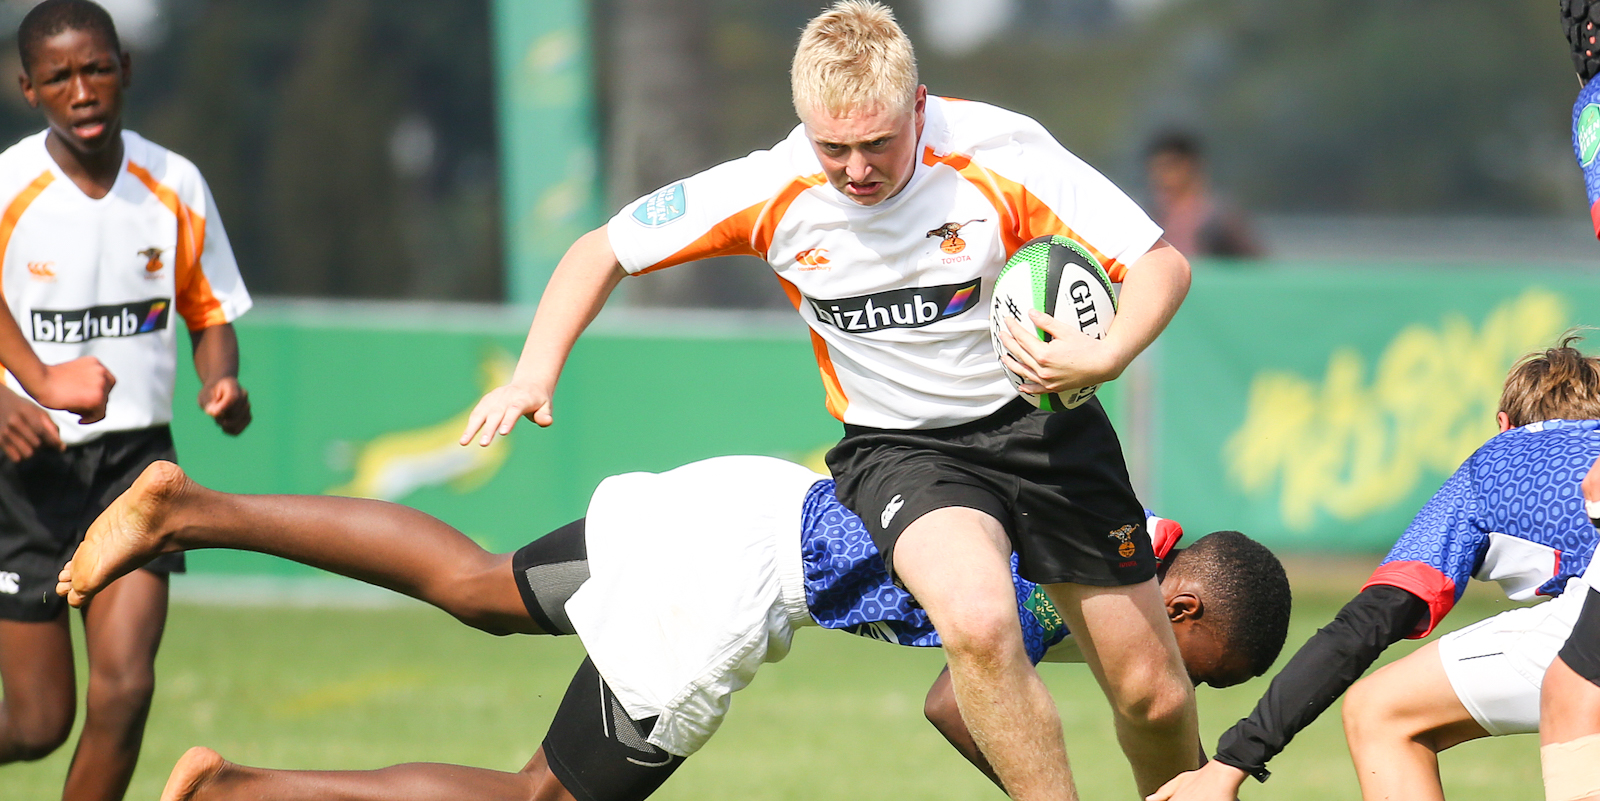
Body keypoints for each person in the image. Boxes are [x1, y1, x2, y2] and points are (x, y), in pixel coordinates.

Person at [459, 3, 1195, 797]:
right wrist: (534, 372)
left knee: (1151, 695)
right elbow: (601, 248)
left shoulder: (998, 152)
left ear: (918, 106)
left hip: (1045, 429)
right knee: (978, 623)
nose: (856, 169)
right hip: (905, 451)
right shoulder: (772, 187)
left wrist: (1107, 352)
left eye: (877, 143)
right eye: (832, 147)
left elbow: (1159, 262)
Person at [54, 453, 1291, 801]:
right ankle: (237, 792)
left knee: (479, 585)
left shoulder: (1114, 524)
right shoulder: (1083, 584)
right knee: (539, 799)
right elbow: (951, 695)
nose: (1168, 691)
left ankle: (193, 508)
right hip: (733, 590)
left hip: (742, 498)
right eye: (1196, 673)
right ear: (1179, 608)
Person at [1149, 337, 1600, 801]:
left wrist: (1232, 761)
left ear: (1503, 425)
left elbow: (1369, 622)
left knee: (1381, 711)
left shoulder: (1495, 462)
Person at [0, 3, 253, 801]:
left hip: (136, 469)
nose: (81, 91)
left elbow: (208, 313)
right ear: (28, 89)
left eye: (96, 69)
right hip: (24, 475)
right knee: (38, 722)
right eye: (59, 77)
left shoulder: (173, 183)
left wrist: (221, 379)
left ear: (126, 70)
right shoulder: (9, 185)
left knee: (126, 689)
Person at [1144, 131, 1263, 259]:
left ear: (1190, 166)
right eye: (1155, 169)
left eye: (1168, 167)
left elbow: (1255, 263)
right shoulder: (1151, 217)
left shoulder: (1219, 219)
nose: (1160, 176)